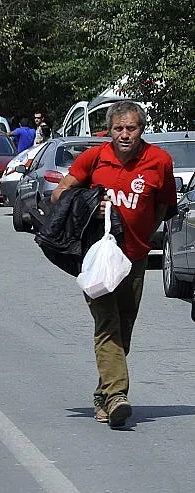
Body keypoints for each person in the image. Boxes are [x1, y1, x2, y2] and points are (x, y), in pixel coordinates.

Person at [50, 100, 176, 428]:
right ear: (109, 130)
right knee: (107, 322)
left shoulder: (159, 161)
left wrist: (142, 236)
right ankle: (118, 394)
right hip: (95, 258)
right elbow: (59, 194)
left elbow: (164, 207)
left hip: (133, 258)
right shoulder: (94, 158)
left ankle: (103, 394)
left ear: (141, 130)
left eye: (130, 128)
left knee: (125, 326)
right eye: (118, 128)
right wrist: (89, 199)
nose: (124, 134)